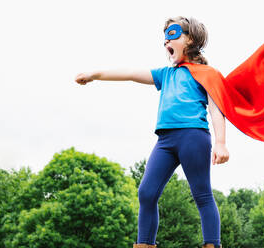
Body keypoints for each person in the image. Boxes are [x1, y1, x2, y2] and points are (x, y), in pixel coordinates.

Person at [75, 16, 227, 248]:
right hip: (165, 141)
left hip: (193, 137)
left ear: (191, 39)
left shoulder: (207, 73)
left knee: (202, 195)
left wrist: (221, 142)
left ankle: (212, 245)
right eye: (165, 35)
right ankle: (144, 244)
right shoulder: (165, 74)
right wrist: (95, 75)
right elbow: (130, 73)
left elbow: (217, 110)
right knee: (146, 192)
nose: (167, 38)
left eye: (174, 33)